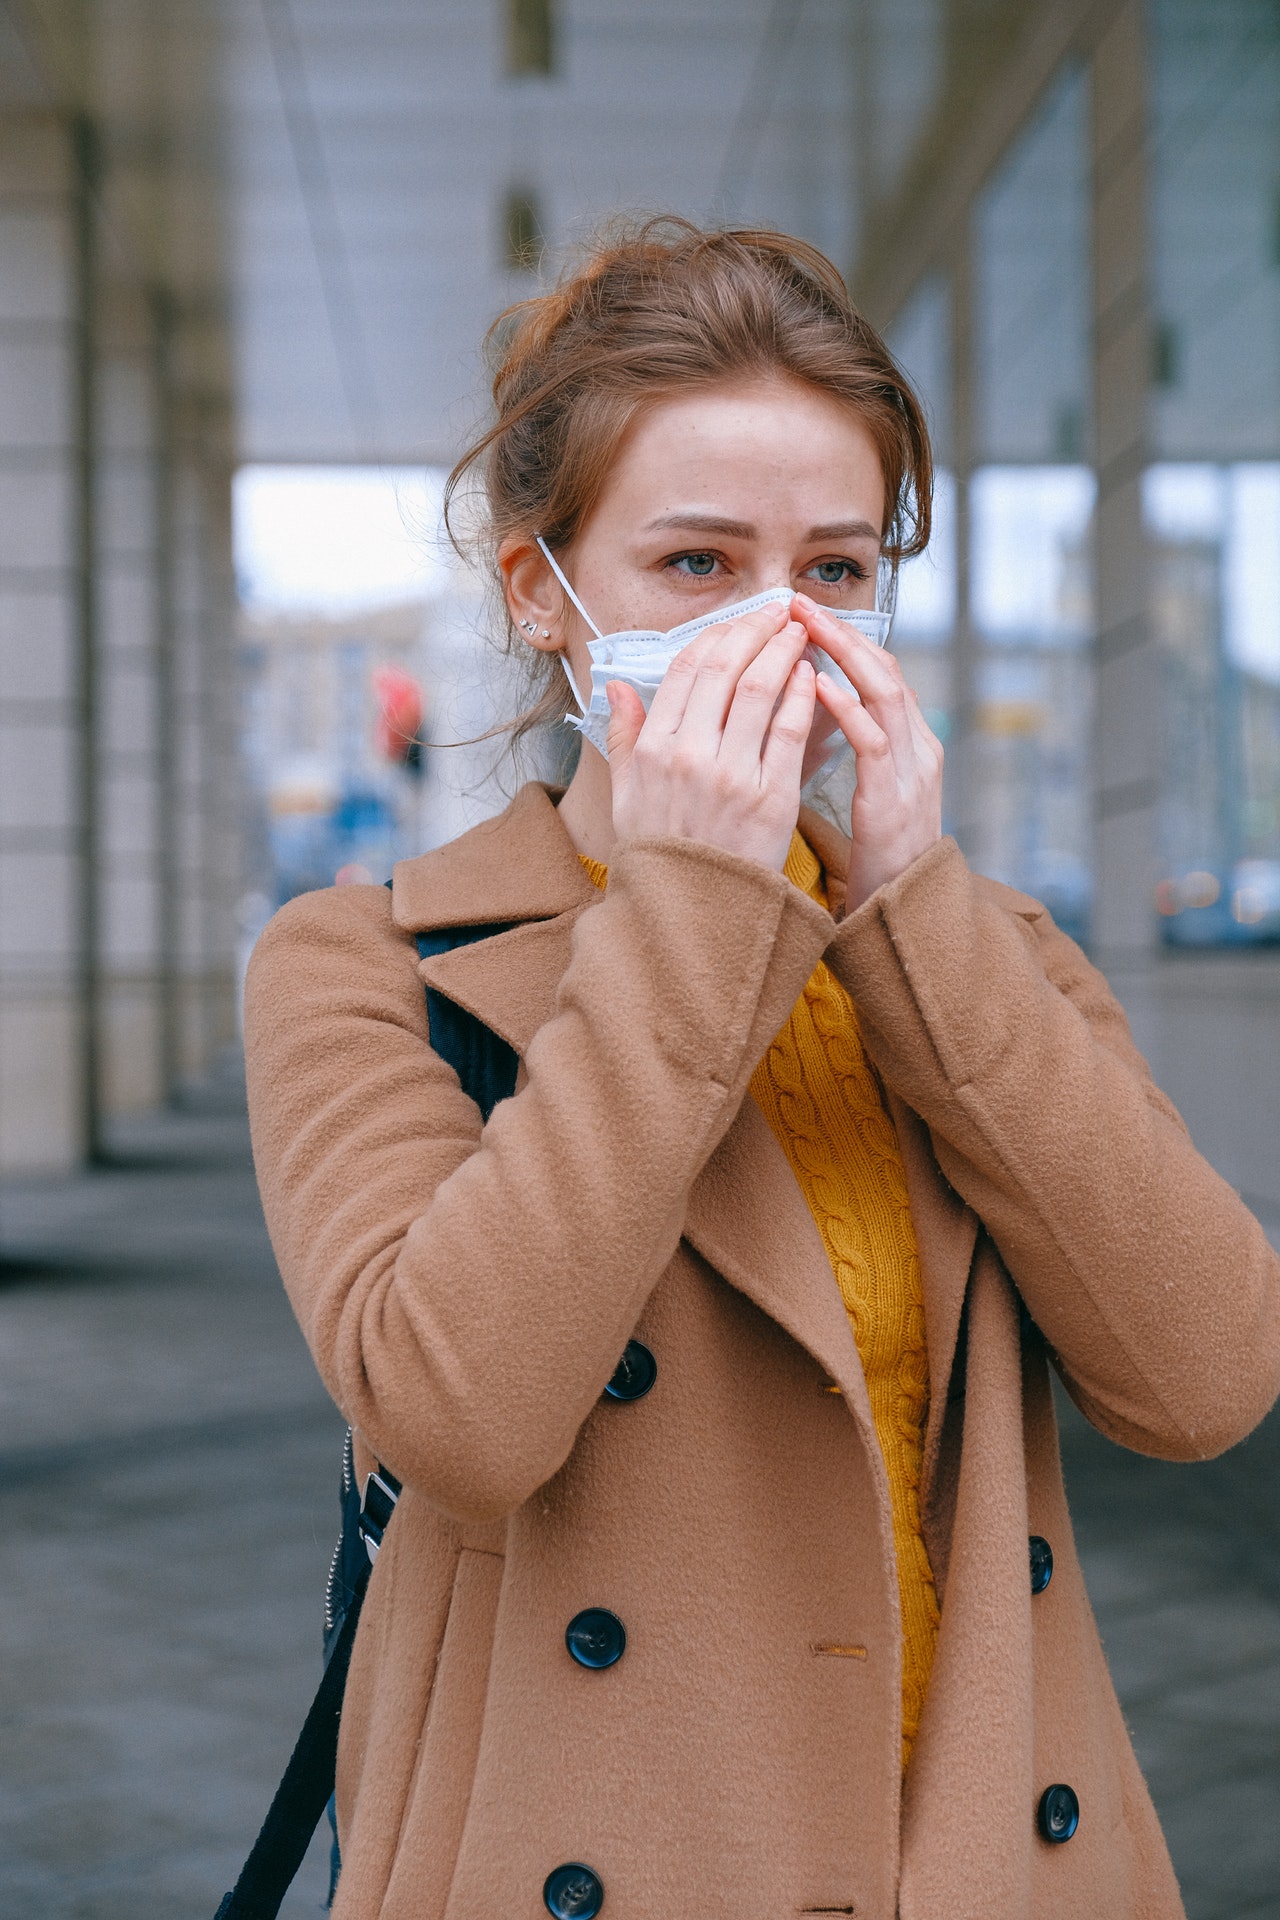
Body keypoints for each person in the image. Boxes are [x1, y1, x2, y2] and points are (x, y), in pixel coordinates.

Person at [243, 221, 1280, 1920]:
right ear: (543, 594)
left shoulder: (982, 951)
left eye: (839, 570)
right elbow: (456, 1417)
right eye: (700, 566)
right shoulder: (369, 962)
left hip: (979, 1850)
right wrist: (699, 911)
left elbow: (1207, 1377)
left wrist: (915, 915)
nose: (778, 631)